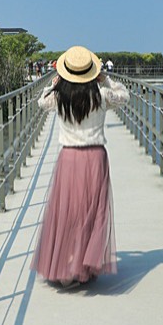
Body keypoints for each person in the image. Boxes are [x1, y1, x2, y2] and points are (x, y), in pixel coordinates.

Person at [32, 45, 129, 287]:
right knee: (91, 212)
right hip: (95, 157)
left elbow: (40, 102)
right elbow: (124, 95)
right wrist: (105, 78)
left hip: (69, 158)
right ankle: (84, 264)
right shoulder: (102, 95)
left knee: (68, 213)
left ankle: (66, 266)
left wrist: (54, 82)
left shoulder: (59, 96)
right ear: (91, 72)